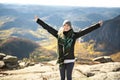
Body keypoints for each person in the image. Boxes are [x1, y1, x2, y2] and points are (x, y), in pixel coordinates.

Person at [34, 16, 103, 80]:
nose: (66, 27)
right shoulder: (58, 35)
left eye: (68, 25)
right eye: (65, 25)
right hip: (61, 61)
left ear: (70, 27)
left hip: (70, 60)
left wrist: (97, 25)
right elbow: (48, 28)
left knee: (69, 78)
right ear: (63, 26)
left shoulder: (74, 35)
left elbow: (86, 31)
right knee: (62, 78)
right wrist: (38, 21)